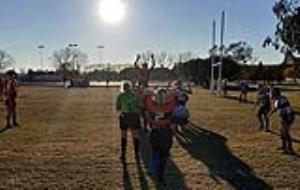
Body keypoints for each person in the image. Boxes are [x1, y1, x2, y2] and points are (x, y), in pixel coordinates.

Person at [145, 88, 177, 184]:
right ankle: (160, 176)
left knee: (155, 153)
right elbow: (173, 122)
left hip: (155, 132)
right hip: (165, 133)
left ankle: (155, 170)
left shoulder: (151, 106)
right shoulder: (171, 106)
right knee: (163, 156)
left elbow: (147, 118)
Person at [116, 82, 141, 163]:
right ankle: (137, 154)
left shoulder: (120, 96)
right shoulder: (135, 95)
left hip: (125, 116)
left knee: (124, 135)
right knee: (135, 135)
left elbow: (118, 107)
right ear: (130, 87)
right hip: (134, 116)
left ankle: (123, 154)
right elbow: (139, 105)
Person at [270, 88, 295, 155]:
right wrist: (271, 113)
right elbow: (276, 108)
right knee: (282, 132)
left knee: (286, 133)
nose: (271, 94)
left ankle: (290, 149)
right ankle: (284, 147)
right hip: (284, 117)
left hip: (287, 117)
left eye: (272, 92)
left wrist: (288, 118)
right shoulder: (277, 99)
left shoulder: (281, 99)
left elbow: (288, 108)